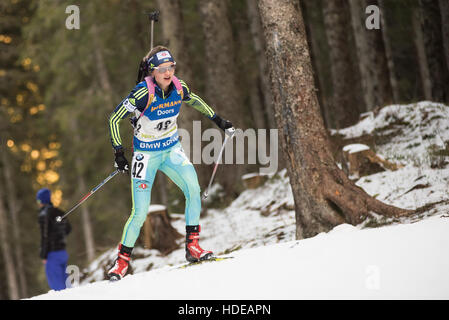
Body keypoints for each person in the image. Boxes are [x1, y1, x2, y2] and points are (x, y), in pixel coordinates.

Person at [107, 45, 233, 280]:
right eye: (162, 68)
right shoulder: (142, 93)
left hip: (172, 150)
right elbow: (114, 118)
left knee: (193, 190)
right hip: (146, 155)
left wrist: (218, 120)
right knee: (140, 211)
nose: (168, 72)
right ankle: (122, 262)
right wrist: (118, 153)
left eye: (171, 67)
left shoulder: (179, 86)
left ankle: (193, 247)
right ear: (153, 71)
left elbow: (194, 100)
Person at [36, 188, 72, 291]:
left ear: (43, 201)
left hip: (52, 254)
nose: (38, 203)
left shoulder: (44, 214)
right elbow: (68, 229)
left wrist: (43, 254)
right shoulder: (59, 212)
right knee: (66, 285)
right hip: (62, 252)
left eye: (39, 201)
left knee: (57, 288)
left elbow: (45, 236)